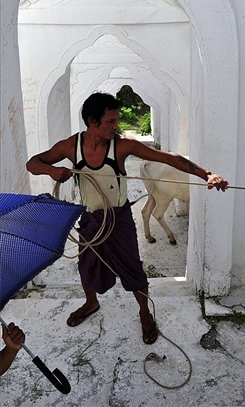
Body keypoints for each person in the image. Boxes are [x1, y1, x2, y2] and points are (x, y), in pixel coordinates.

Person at [26, 92, 228, 344]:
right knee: (86, 265)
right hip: (90, 219)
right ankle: (91, 303)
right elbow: (32, 163)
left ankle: (144, 313)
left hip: (118, 219)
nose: (116, 126)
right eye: (110, 121)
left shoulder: (121, 146)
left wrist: (207, 174)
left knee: (133, 269)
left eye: (117, 120)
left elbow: (170, 158)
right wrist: (51, 170)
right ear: (92, 121)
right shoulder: (71, 146)